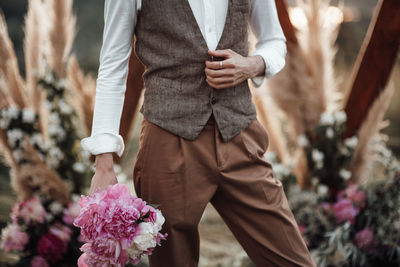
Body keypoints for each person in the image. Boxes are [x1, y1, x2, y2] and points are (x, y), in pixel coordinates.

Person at [81, 0, 316, 266]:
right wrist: (104, 161)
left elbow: (274, 41)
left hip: (239, 134)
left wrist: (252, 65)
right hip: (168, 144)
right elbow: (113, 64)